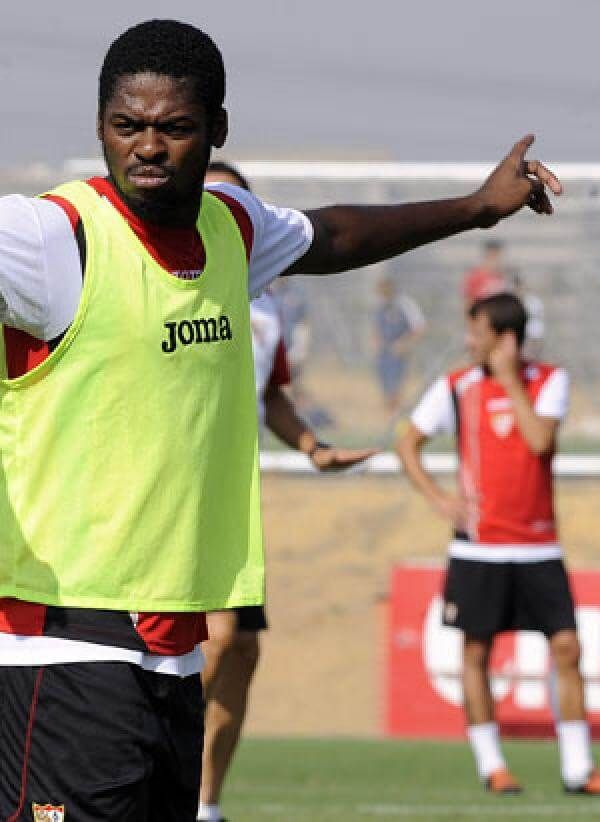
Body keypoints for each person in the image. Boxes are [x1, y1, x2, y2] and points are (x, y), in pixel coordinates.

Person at [0, 19, 561, 821]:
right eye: (127, 126)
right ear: (100, 128)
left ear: (217, 130)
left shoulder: (230, 227)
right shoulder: (52, 236)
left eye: (174, 127)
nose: (148, 147)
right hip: (54, 649)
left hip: (169, 659)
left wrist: (478, 208)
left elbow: (333, 234)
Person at [198, 161, 376, 822]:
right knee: (214, 643)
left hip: (230, 504)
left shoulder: (264, 311)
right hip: (164, 501)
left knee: (242, 650)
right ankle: (146, 767)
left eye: (230, 199)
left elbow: (269, 395)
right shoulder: (158, 288)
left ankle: (205, 805)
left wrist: (312, 446)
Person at [396, 293, 600, 798]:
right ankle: (492, 765)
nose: (467, 341)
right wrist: (439, 499)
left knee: (566, 646)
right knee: (476, 652)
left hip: (538, 546)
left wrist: (507, 381)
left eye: (476, 331)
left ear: (505, 338)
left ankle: (579, 768)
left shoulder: (549, 381)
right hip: (478, 549)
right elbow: (407, 442)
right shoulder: (455, 386)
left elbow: (539, 441)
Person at [374, 276, 426, 417]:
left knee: (395, 387)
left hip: (398, 353)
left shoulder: (405, 304)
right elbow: (378, 327)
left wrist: (404, 344)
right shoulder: (381, 305)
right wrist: (376, 341)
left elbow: (419, 327)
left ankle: (395, 418)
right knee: (385, 386)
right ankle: (389, 417)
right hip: (383, 353)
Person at [463, 238, 509, 309]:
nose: (495, 260)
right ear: (486, 256)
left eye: (497, 256)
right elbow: (468, 302)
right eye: (492, 256)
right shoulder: (476, 276)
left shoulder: (504, 276)